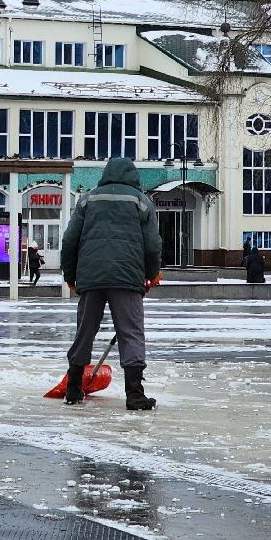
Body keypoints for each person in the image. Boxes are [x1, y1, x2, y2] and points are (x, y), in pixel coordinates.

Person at [60, 157, 163, 410]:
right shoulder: (141, 201)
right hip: (127, 278)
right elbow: (152, 244)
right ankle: (135, 394)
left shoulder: (88, 199)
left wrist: (70, 276)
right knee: (131, 333)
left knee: (85, 331)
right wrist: (152, 272)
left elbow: (70, 240)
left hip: (91, 276)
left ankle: (73, 389)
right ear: (133, 176)